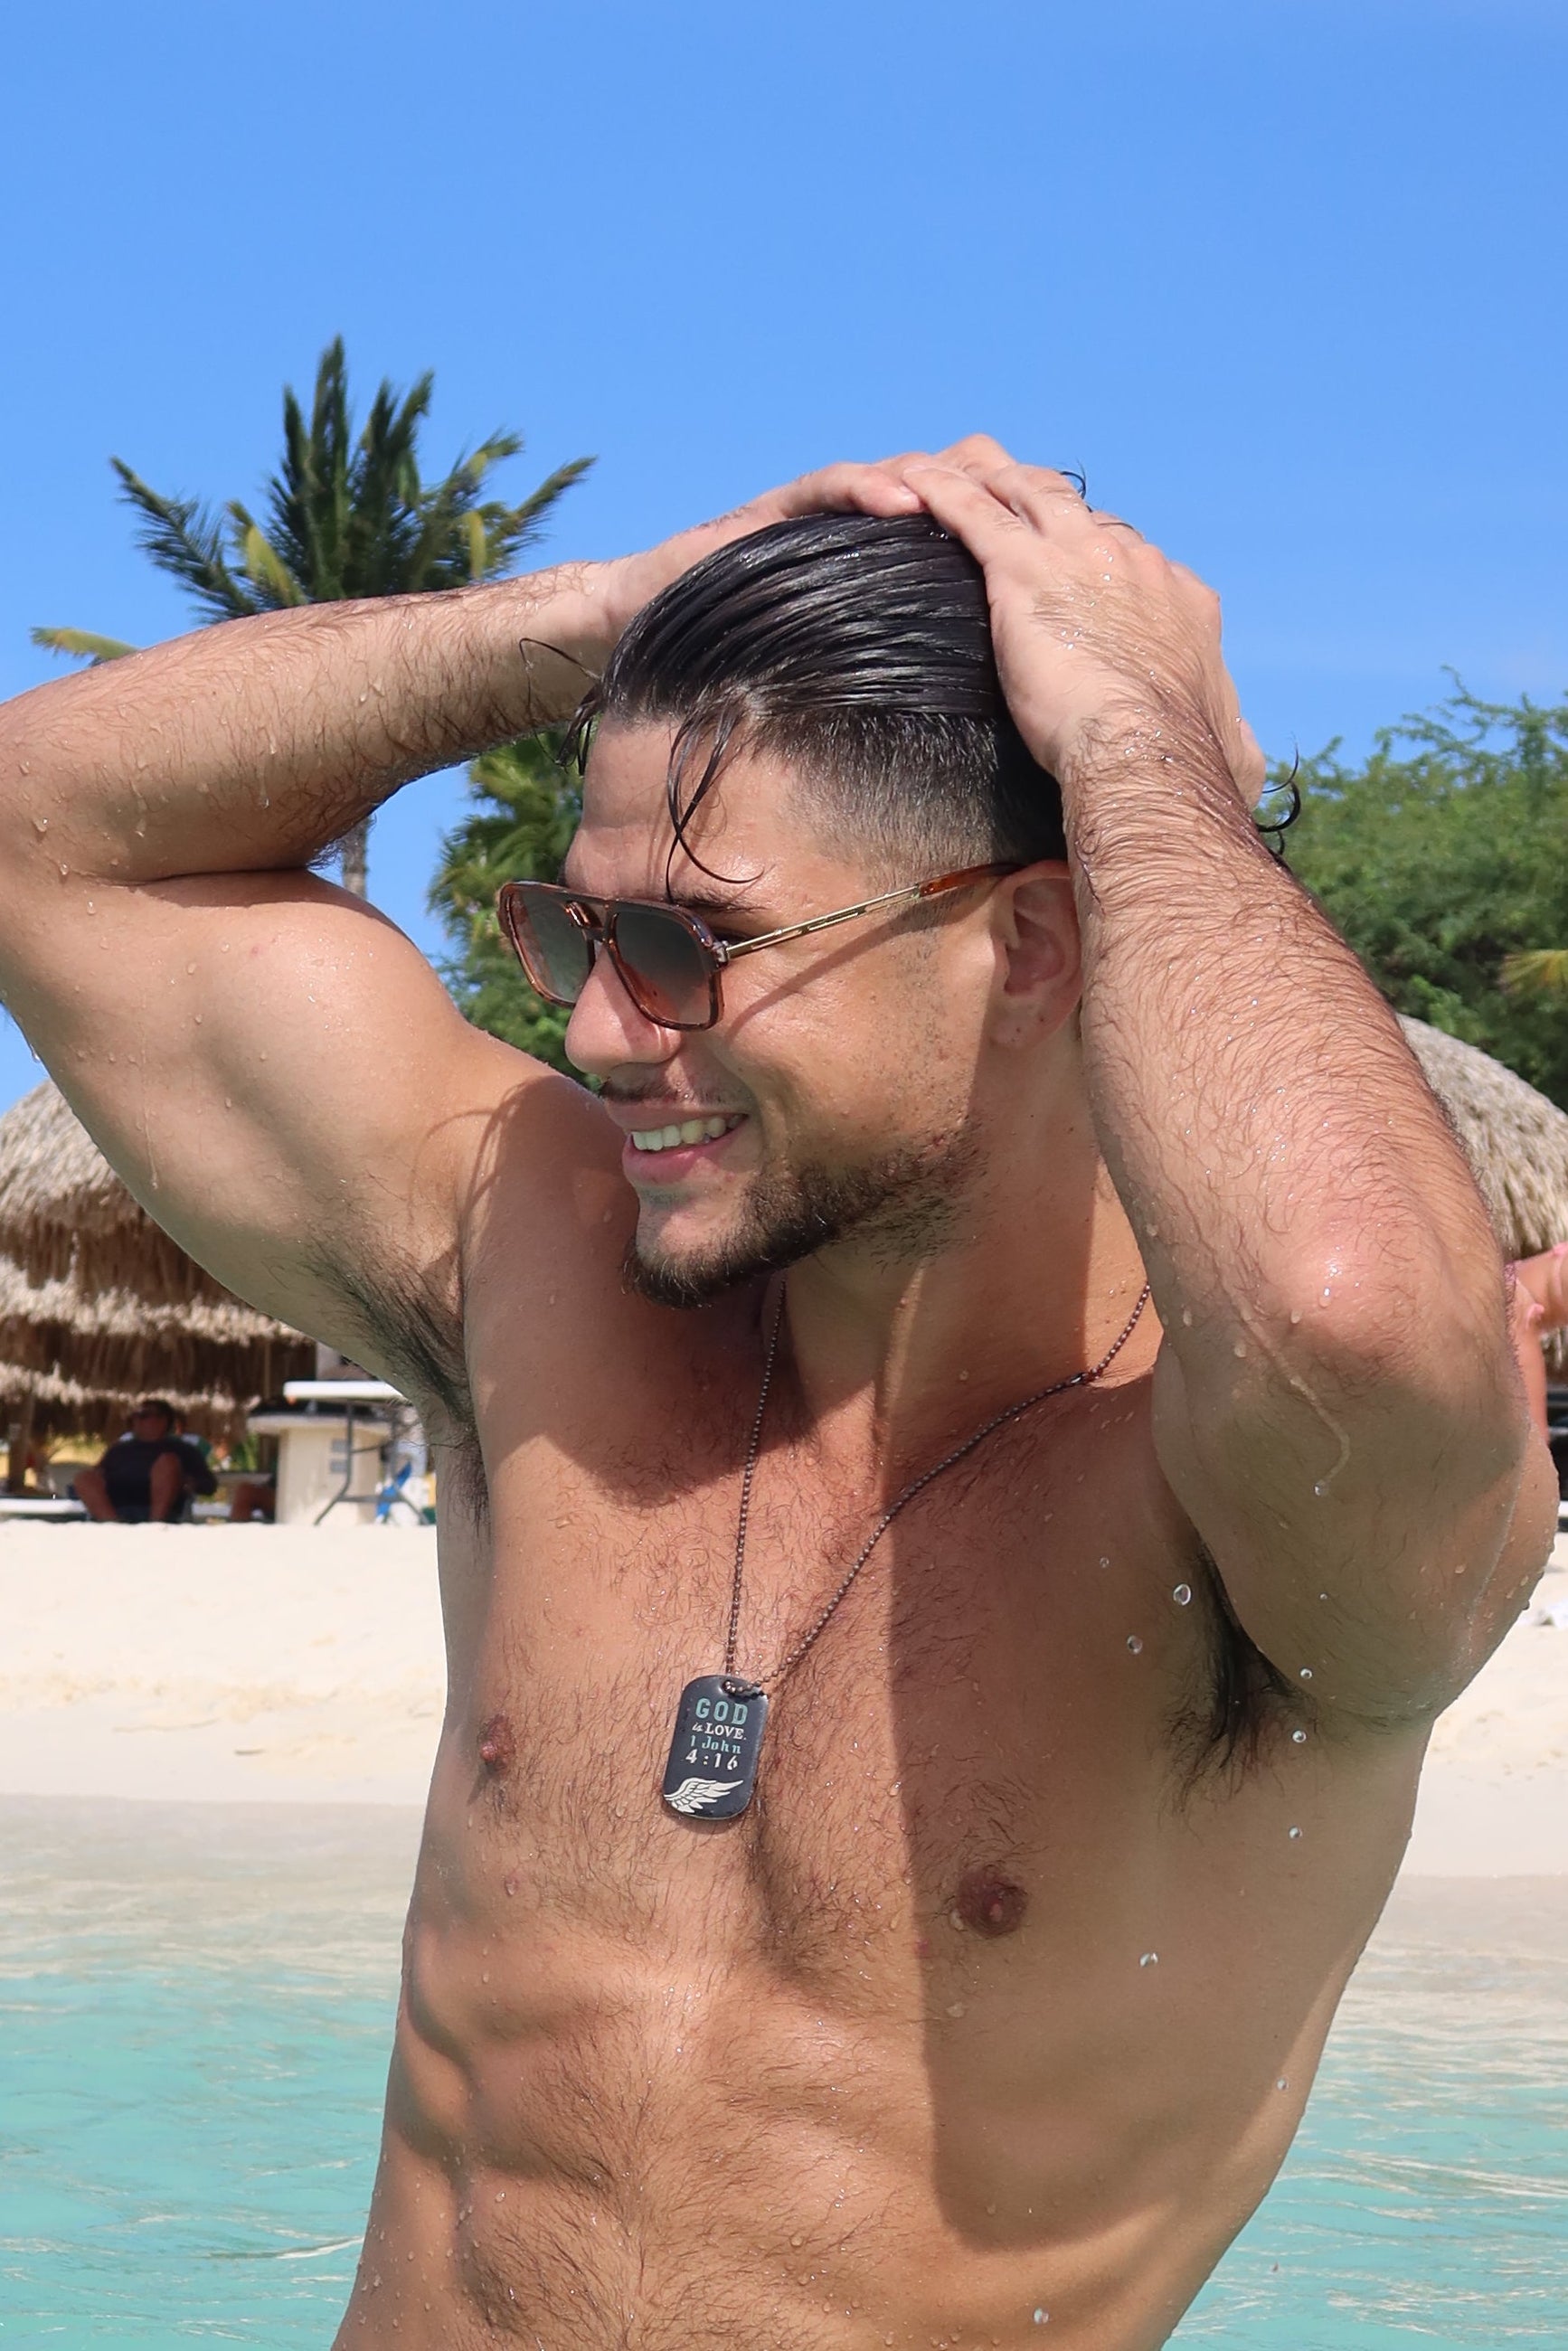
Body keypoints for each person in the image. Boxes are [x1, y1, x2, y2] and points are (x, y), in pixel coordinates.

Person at [0, 440, 1554, 2349]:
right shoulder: (537, 1281)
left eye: (690, 947)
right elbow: (40, 828)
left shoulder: (1243, 1503)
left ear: (1038, 945)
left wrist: (1143, 748)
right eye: (572, 931)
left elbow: (1356, 1314)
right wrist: (595, 613)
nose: (590, 1031)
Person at [73, 1398, 219, 1524]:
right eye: (140, 1416)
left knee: (168, 1462)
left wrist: (190, 1482)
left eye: (151, 1415)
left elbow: (209, 1485)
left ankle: (154, 1526)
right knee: (84, 1477)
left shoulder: (183, 1449)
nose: (146, 1420)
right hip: (117, 1509)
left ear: (165, 1420)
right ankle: (113, 1526)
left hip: (161, 1510)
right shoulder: (118, 1450)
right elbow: (99, 1474)